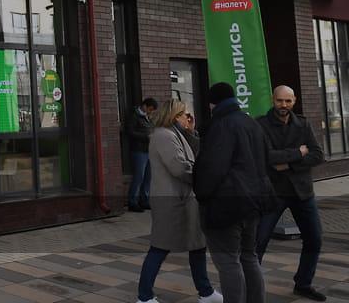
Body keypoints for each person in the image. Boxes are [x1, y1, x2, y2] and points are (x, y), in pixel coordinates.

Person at [194, 82, 274, 303]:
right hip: (254, 203)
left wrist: (202, 194)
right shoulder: (252, 123)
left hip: (227, 206)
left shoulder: (220, 126)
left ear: (212, 104)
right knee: (249, 257)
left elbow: (212, 169)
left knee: (228, 261)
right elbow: (265, 161)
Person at [136, 99, 223, 303]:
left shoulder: (175, 133)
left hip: (184, 199)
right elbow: (179, 167)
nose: (189, 118)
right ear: (175, 116)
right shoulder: (164, 135)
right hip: (172, 202)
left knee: (197, 245)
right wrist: (204, 176)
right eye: (186, 115)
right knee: (160, 247)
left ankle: (206, 292)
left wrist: (191, 132)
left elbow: (194, 154)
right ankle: (144, 296)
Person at [255, 85, 326, 301]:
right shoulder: (260, 124)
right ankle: (250, 288)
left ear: (294, 101)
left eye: (288, 101)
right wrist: (298, 152)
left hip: (302, 192)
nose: (283, 105)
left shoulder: (303, 124)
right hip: (273, 192)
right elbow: (266, 157)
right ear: (273, 99)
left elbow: (317, 155)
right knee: (257, 242)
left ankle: (303, 284)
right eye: (280, 100)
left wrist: (288, 164)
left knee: (314, 239)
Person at [127, 97, 158, 212]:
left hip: (148, 150)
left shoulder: (147, 117)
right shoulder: (134, 115)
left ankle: (144, 200)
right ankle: (132, 202)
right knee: (139, 177)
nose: (150, 112)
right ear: (144, 105)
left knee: (148, 177)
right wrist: (146, 137)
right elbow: (130, 132)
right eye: (150, 109)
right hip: (139, 150)